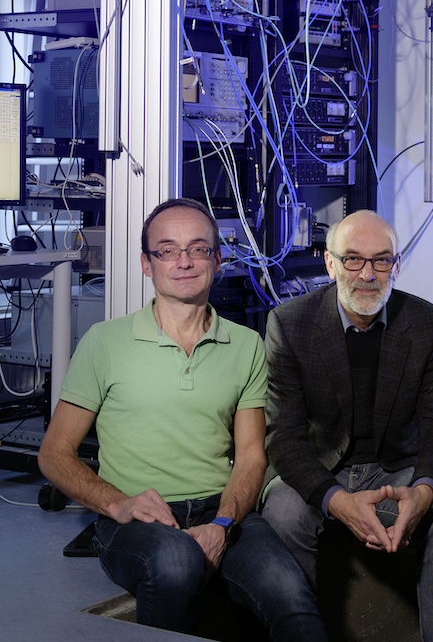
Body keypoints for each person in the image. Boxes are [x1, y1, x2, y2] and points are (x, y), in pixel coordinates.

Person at [37, 198, 326, 639]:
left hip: (221, 508)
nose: (184, 261)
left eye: (198, 249)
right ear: (146, 264)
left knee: (293, 598)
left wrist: (223, 525)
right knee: (176, 564)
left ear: (218, 259)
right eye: (167, 250)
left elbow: (251, 458)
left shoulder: (247, 345)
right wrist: (119, 503)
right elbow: (55, 454)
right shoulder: (105, 342)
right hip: (135, 518)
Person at [261, 209, 433, 642]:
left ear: (396, 265)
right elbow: (284, 437)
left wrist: (425, 490)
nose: (367, 274)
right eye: (353, 259)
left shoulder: (426, 323)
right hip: (321, 466)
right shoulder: (290, 323)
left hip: (394, 467)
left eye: (381, 261)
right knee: (283, 513)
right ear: (330, 263)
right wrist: (336, 500)